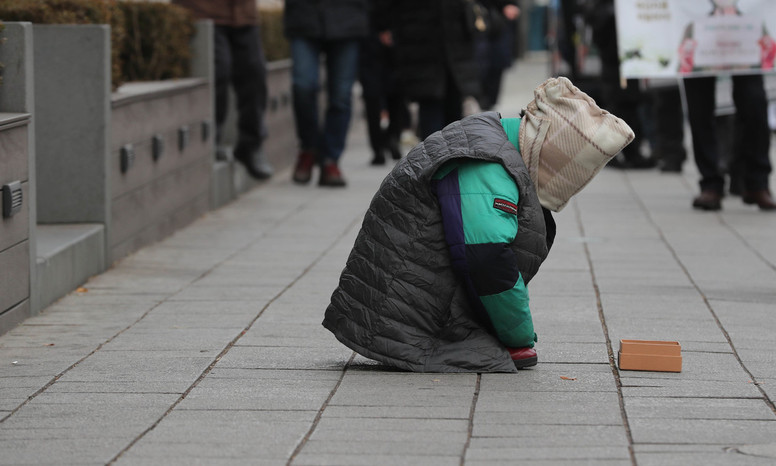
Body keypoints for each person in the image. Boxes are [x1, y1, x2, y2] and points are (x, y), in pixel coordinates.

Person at [323, 77, 635, 372]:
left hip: (397, 300)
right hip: (395, 317)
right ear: (547, 153)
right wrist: (518, 338)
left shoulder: (494, 139)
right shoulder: (487, 163)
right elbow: (488, 258)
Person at [678, 0, 776, 210]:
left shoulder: (751, 19)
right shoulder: (692, 23)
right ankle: (711, 183)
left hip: (745, 47)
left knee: (754, 106)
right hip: (701, 46)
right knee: (699, 110)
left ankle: (757, 182)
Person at [374, 0, 518, 140]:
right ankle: (435, 157)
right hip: (422, 41)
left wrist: (505, 5)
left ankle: (447, 157)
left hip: (452, 42)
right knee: (431, 104)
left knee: (452, 107)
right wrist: (384, 25)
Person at [172, 0, 273, 180]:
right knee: (219, 70)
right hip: (203, 11)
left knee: (255, 73)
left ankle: (250, 146)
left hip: (245, 15)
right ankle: (213, 139)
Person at [284, 0, 368, 187]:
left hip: (348, 17)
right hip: (303, 16)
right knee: (303, 86)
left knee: (341, 96)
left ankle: (330, 160)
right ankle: (309, 147)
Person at [583, 0, 655, 169]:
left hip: (624, 57)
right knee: (619, 105)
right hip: (615, 58)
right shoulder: (605, 8)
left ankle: (628, 152)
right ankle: (617, 152)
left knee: (628, 103)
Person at [358, 0, 408, 166]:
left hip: (394, 38)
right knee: (375, 96)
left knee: (396, 94)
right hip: (369, 39)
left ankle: (389, 139)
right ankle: (382, 144)